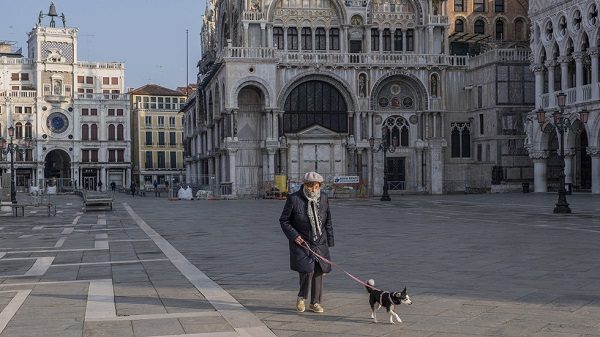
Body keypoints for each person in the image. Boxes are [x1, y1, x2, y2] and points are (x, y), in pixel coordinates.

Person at [279, 171, 334, 314]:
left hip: (319, 241)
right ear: (304, 185)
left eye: (316, 186)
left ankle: (315, 303)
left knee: (318, 272)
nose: (314, 189)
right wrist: (294, 235)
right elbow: (284, 220)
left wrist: (330, 241)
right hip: (302, 241)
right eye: (310, 186)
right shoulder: (294, 199)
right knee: (306, 270)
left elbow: (328, 221)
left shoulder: (323, 198)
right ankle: (301, 297)